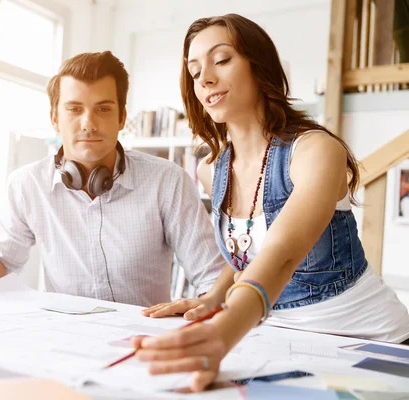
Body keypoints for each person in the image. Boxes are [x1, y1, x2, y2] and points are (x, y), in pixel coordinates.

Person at [134, 14, 409, 392]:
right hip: (278, 342)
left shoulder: (314, 150)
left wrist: (224, 330)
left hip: (369, 342)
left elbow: (280, 253)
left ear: (258, 65)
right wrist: (213, 298)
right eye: (195, 72)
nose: (206, 79)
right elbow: (251, 251)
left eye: (222, 59)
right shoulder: (211, 171)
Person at [0, 51, 227, 307]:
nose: (89, 124)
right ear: (55, 117)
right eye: (74, 109)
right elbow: (2, 259)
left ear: (122, 117)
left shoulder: (168, 181)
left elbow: (211, 276)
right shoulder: (26, 184)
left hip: (142, 342)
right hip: (63, 339)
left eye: (103, 109)